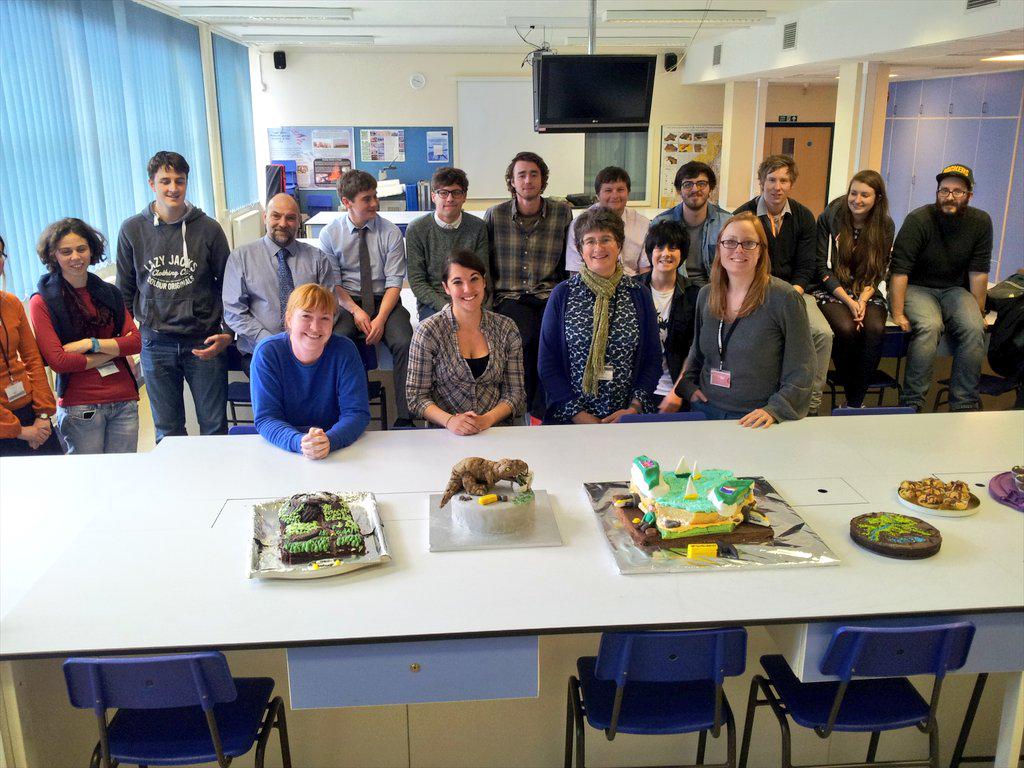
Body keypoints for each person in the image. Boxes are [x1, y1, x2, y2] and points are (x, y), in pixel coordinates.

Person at [116, 150, 232, 441]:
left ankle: (219, 486)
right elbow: (125, 290)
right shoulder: (132, 230)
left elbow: (229, 285)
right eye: (165, 180)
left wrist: (226, 330)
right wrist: (127, 342)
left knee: (214, 427)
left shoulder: (209, 229)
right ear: (151, 184)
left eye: (179, 181)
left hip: (203, 339)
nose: (173, 188)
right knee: (168, 432)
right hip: (155, 342)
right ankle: (176, 485)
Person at [677, 212, 814, 426]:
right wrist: (688, 386)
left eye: (749, 243)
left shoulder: (784, 298)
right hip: (705, 412)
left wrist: (775, 409)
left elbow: (802, 368)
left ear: (761, 251)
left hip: (755, 420)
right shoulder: (706, 295)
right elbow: (698, 350)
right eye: (730, 242)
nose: (738, 250)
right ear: (719, 248)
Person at [538, 208, 661, 424]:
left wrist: (633, 409)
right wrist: (579, 415)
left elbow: (652, 359)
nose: (598, 248)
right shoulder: (563, 294)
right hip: (570, 421)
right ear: (580, 249)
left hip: (626, 420)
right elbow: (548, 364)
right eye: (589, 241)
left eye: (606, 239)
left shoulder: (638, 294)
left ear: (619, 245)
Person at [29, 219, 142, 454]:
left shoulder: (109, 292)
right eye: (65, 251)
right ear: (53, 255)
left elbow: (135, 342)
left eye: (81, 249)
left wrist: (89, 344)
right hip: (80, 405)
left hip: (124, 399)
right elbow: (59, 361)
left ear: (92, 250)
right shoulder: (42, 301)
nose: (75, 257)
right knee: (90, 482)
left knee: (124, 478)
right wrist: (111, 352)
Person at [734, 155, 832, 415]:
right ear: (761, 182)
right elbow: (738, 260)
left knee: (823, 334)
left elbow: (806, 265)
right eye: (772, 180)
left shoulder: (803, 216)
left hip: (794, 292)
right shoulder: (744, 215)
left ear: (792, 184)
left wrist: (793, 292)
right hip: (753, 291)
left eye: (784, 180)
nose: (777, 187)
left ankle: (810, 405)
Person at [889, 163, 992, 412]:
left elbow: (978, 272)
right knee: (929, 326)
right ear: (937, 193)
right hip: (918, 286)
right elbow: (900, 270)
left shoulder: (980, 222)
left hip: (955, 290)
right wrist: (898, 312)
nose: (949, 196)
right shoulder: (919, 220)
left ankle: (963, 403)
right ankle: (912, 404)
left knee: (973, 328)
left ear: (969, 195)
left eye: (957, 191)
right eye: (944, 190)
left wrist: (977, 310)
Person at [318, 170, 414, 428]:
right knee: (336, 340)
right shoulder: (329, 234)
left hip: (386, 300)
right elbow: (334, 283)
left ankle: (405, 417)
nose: (374, 204)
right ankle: (344, 412)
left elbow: (395, 282)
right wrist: (356, 311)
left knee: (405, 340)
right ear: (347, 202)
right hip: (348, 300)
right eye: (366, 199)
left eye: (375, 197)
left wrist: (381, 318)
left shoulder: (390, 232)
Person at [484, 151, 573, 415]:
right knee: (524, 338)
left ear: (543, 180)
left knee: (556, 340)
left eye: (534, 174)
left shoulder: (561, 213)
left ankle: (550, 409)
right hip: (510, 296)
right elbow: (485, 263)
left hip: (548, 294)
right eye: (521, 175)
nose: (528, 180)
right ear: (511, 181)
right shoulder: (495, 215)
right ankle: (524, 410)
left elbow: (568, 261)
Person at [406, 249, 526, 434]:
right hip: (444, 435)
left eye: (474, 279)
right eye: (457, 282)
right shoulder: (428, 331)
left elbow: (516, 393)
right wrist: (450, 421)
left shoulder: (506, 328)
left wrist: (486, 420)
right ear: (446, 287)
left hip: (495, 432)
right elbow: (416, 397)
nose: (468, 289)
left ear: (484, 281)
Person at [250, 284, 370, 459]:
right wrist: (301, 443)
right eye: (306, 316)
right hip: (284, 449)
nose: (315, 327)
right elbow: (267, 418)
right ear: (290, 319)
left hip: (336, 448)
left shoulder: (345, 350)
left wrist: (329, 441)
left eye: (325, 318)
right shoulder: (267, 353)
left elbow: (356, 413)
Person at [222, 193, 335, 375]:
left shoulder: (317, 259)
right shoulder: (241, 258)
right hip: (261, 352)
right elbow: (234, 312)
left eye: (290, 218)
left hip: (310, 352)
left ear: (299, 221)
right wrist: (269, 341)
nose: (282, 223)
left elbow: (330, 308)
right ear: (265, 217)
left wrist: (306, 342)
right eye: (276, 216)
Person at [813, 171, 895, 408]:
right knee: (846, 328)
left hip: (866, 290)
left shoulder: (885, 225)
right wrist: (849, 302)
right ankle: (854, 401)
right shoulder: (832, 215)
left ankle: (852, 404)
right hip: (832, 288)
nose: (857, 200)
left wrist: (862, 299)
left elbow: (880, 269)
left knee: (875, 329)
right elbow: (821, 267)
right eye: (853, 193)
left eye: (865, 195)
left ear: (877, 199)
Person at [0, 235, 62, 456]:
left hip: (32, 413)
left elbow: (32, 358)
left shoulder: (11, 302)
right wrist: (22, 432)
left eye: (0, 253)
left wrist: (44, 416)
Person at [406, 167, 489, 321]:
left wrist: (478, 305)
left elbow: (484, 274)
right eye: (443, 193)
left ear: (464, 197)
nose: (450, 199)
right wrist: (448, 308)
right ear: (433, 196)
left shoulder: (478, 227)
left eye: (456, 192)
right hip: (434, 304)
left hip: (471, 298)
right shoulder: (417, 229)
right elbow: (417, 282)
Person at [637, 220, 696, 409]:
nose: (666, 254)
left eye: (673, 247)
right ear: (650, 252)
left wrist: (677, 392)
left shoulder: (695, 295)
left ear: (683, 253)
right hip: (635, 392)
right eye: (659, 247)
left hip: (676, 392)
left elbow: (695, 350)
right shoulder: (631, 290)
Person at [651, 160, 731, 296]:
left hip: (715, 291)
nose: (695, 189)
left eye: (701, 183)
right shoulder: (662, 222)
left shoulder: (727, 223)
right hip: (675, 290)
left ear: (710, 188)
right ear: (678, 190)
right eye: (688, 184)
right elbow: (654, 263)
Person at [565, 166, 651, 276]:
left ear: (628, 193)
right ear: (597, 195)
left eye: (620, 190)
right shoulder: (579, 224)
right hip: (590, 286)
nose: (615, 195)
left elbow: (645, 271)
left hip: (631, 286)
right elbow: (575, 270)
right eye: (608, 190)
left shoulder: (643, 224)